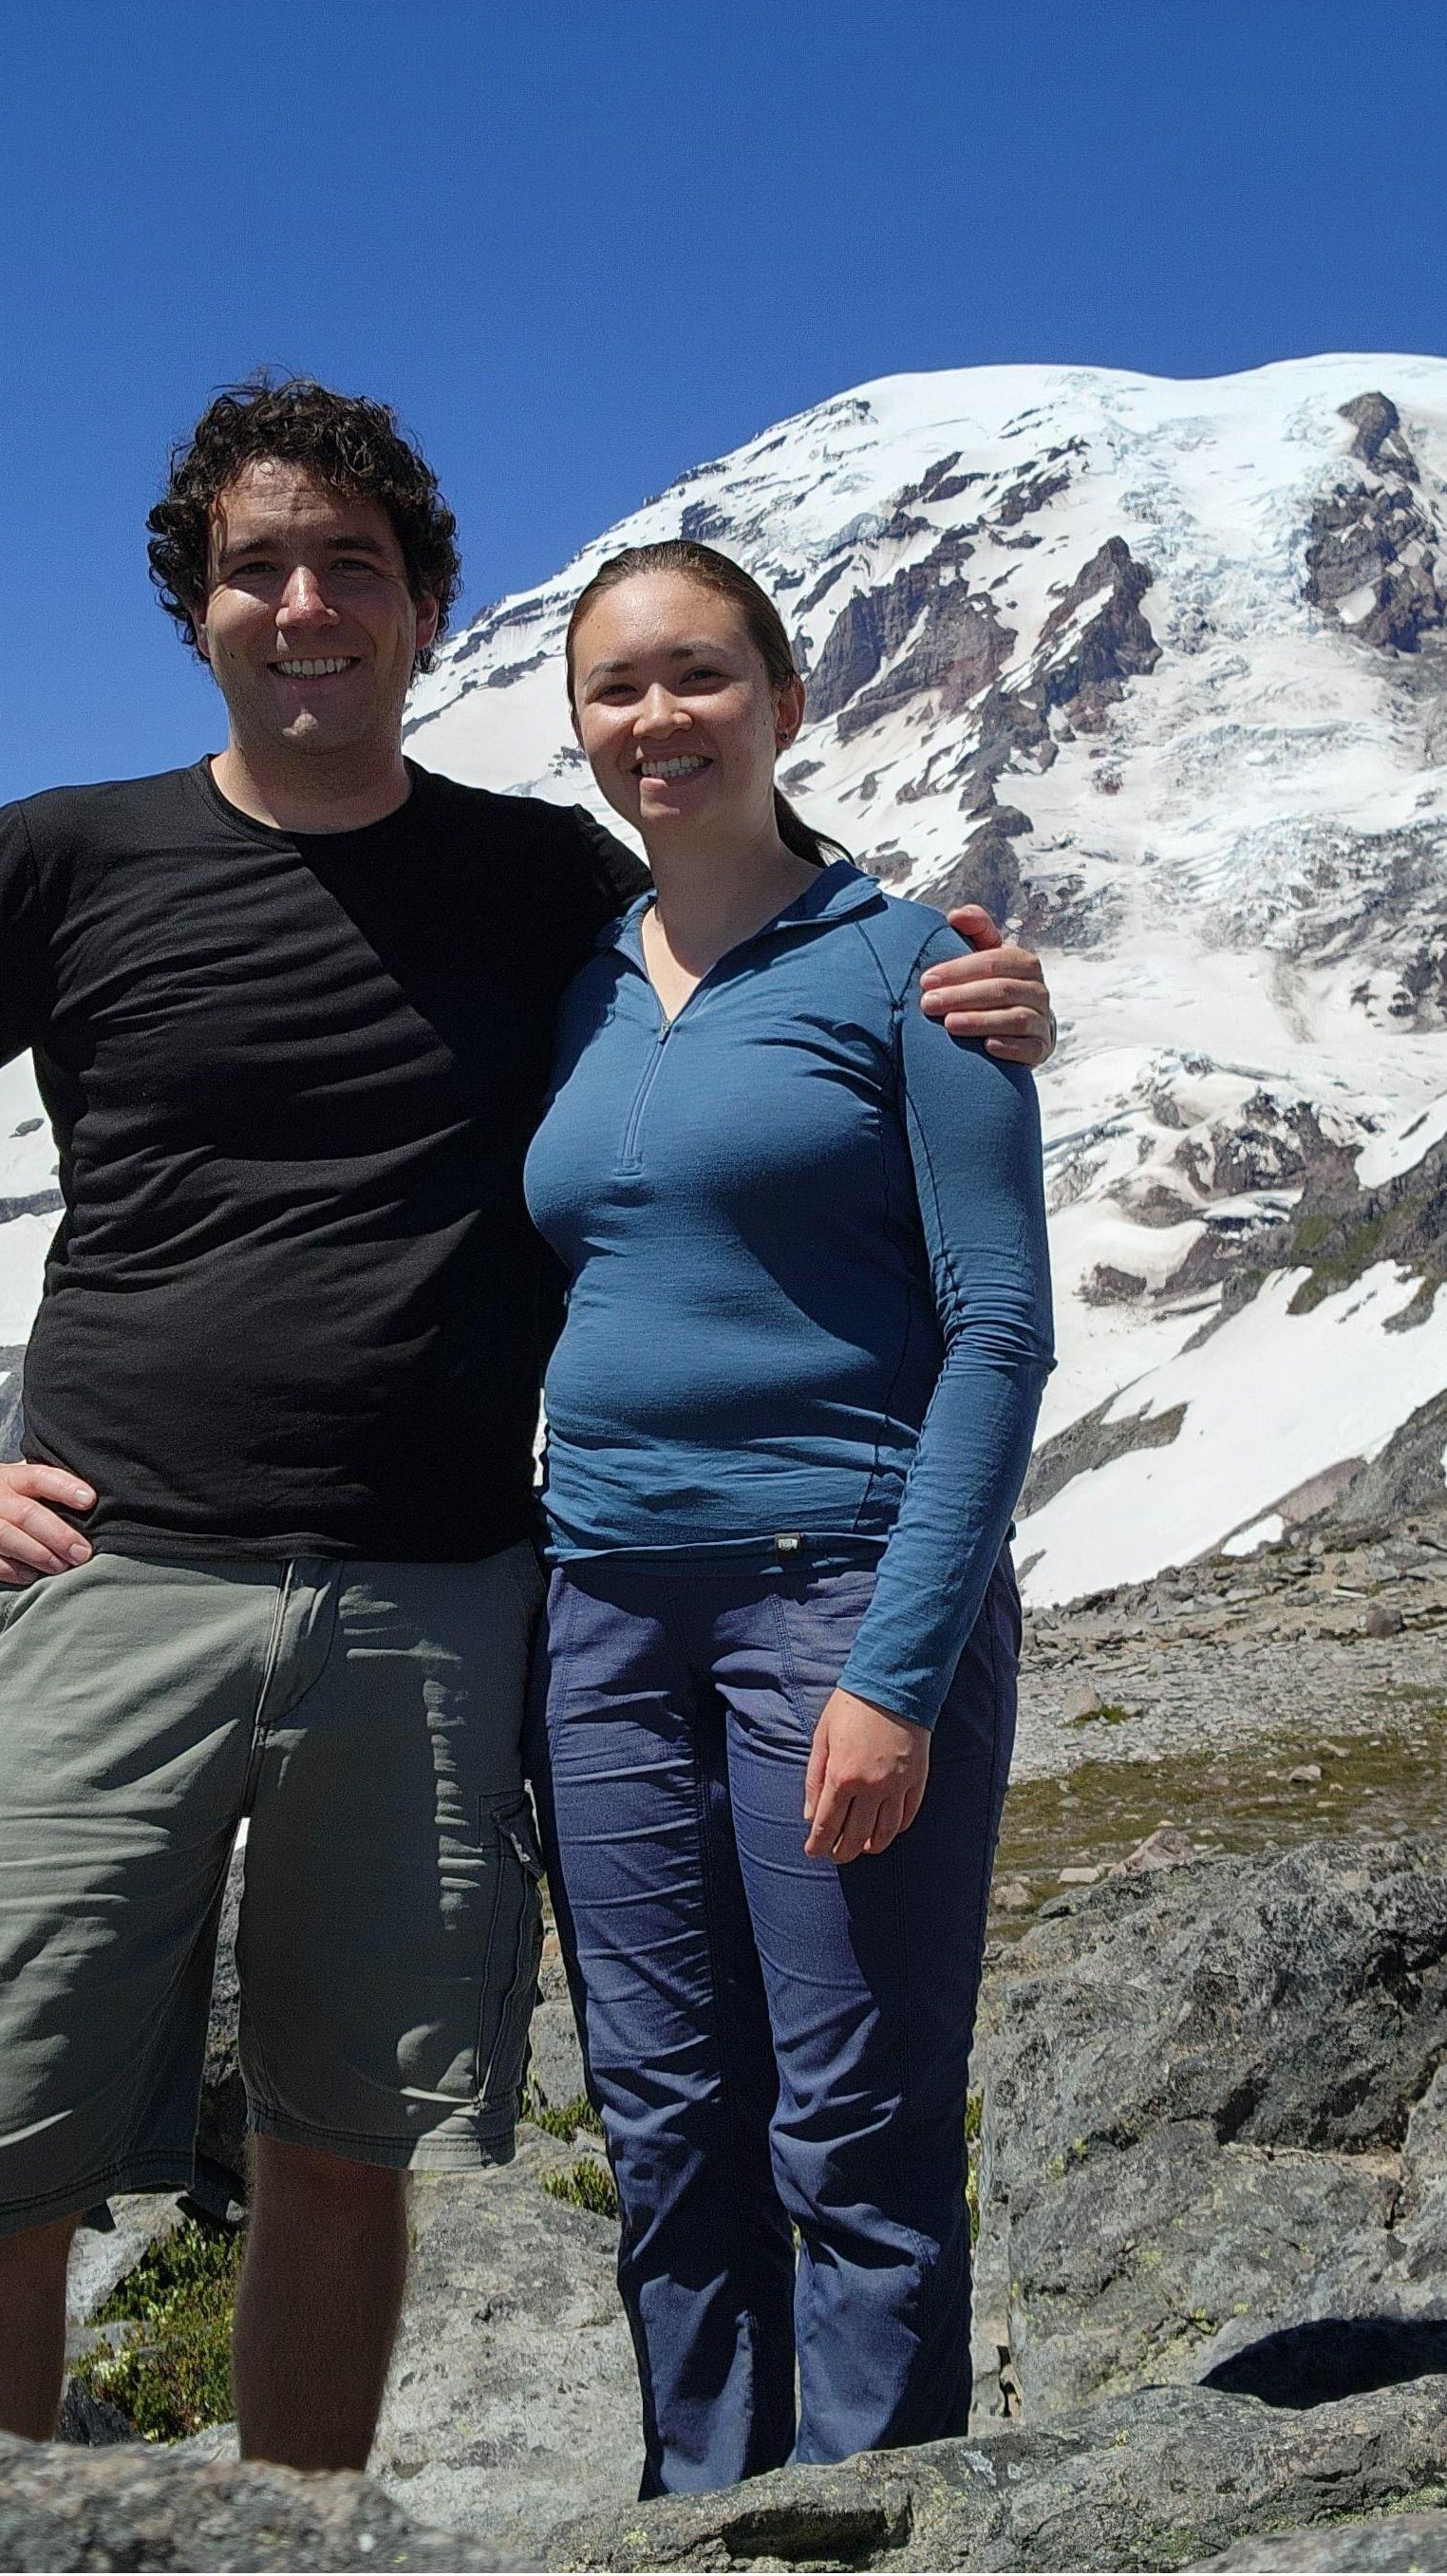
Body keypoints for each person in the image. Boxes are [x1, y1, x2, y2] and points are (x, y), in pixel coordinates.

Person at [0, 378, 1058, 2472]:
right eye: (258, 566)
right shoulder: (63, 859)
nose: (306, 604)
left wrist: (967, 983)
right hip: (129, 1587)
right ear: (194, 607)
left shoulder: (540, 888)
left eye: (353, 563)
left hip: (441, 1609)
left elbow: (753, 910)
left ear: (431, 607)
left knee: (350, 2154)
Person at [524, 542, 1053, 2493]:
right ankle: (699, 2515)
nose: (656, 720)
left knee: (850, 2119)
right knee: (662, 2119)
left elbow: (999, 1337)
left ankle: (869, 2523)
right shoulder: (570, 985)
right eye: (615, 688)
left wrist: (895, 1672)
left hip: (830, 1596)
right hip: (600, 1613)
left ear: (785, 701)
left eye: (698, 677)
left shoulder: (914, 968)